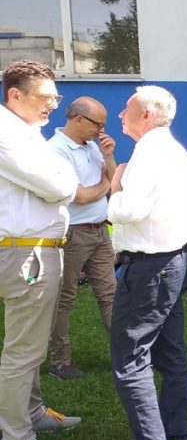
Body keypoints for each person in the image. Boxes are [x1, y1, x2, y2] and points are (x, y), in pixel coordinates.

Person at [107, 84, 187, 440]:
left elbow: (129, 210)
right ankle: (173, 430)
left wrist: (115, 187)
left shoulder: (148, 153)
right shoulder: (174, 151)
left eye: (126, 108)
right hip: (174, 261)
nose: (120, 115)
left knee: (130, 358)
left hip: (150, 268)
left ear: (145, 114)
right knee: (170, 352)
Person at [0, 60, 81, 440]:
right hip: (24, 252)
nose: (53, 105)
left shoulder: (25, 131)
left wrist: (62, 182)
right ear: (15, 95)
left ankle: (30, 413)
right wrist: (63, 183)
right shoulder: (6, 134)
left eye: (56, 97)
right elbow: (60, 185)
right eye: (46, 97)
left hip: (33, 248)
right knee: (23, 350)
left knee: (30, 345)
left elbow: (62, 182)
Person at [46, 96, 118, 379]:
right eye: (98, 124)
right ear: (78, 119)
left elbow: (116, 182)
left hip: (100, 231)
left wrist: (109, 156)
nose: (101, 130)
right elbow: (82, 197)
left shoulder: (93, 145)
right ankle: (60, 362)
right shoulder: (56, 150)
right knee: (64, 298)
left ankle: (125, 355)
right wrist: (106, 183)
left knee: (110, 294)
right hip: (72, 233)